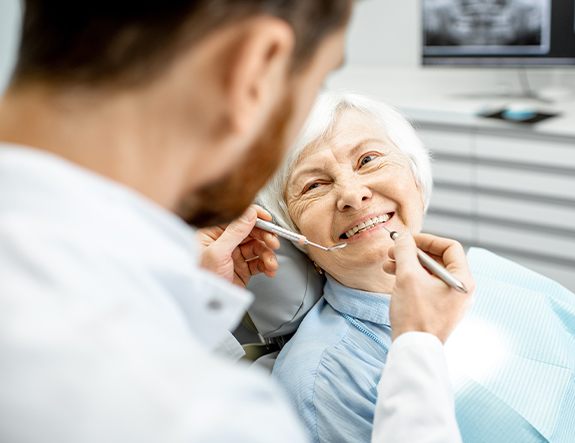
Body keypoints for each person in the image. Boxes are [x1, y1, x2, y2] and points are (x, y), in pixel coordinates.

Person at [0, 2, 473, 442]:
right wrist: (418, 348)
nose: (352, 193)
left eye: (369, 158)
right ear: (256, 67)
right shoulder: (210, 414)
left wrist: (187, 305)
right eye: (320, 80)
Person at [259, 91, 575, 443]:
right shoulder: (322, 379)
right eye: (314, 185)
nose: (353, 193)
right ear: (293, 232)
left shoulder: (493, 272)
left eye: (368, 159)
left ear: (415, 176)